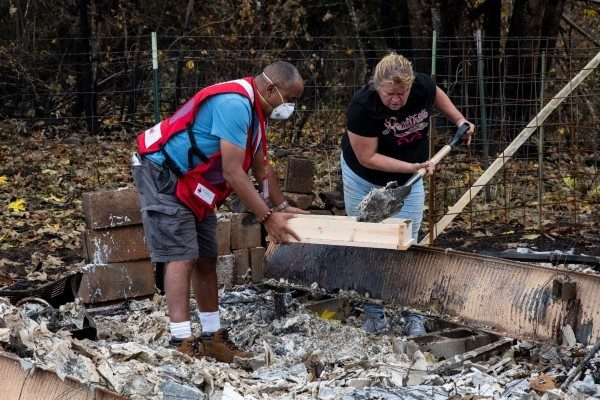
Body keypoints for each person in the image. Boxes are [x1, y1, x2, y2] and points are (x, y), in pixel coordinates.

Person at [132, 61, 307, 363]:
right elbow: (233, 173)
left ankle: (212, 336)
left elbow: (260, 164)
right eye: (289, 99)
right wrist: (268, 219)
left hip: (194, 182)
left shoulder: (258, 110)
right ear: (270, 89)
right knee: (181, 254)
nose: (290, 108)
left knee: (205, 257)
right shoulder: (235, 105)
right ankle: (181, 341)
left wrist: (281, 206)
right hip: (163, 172)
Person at [341, 52, 475, 336]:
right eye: (390, 94)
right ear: (378, 87)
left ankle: (412, 314)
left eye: (402, 93)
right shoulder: (363, 106)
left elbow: (436, 94)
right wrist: (414, 166)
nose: (396, 100)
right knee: (368, 242)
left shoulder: (421, 87)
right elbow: (367, 157)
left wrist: (459, 120)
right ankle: (375, 314)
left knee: (408, 240)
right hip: (364, 176)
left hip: (411, 177)